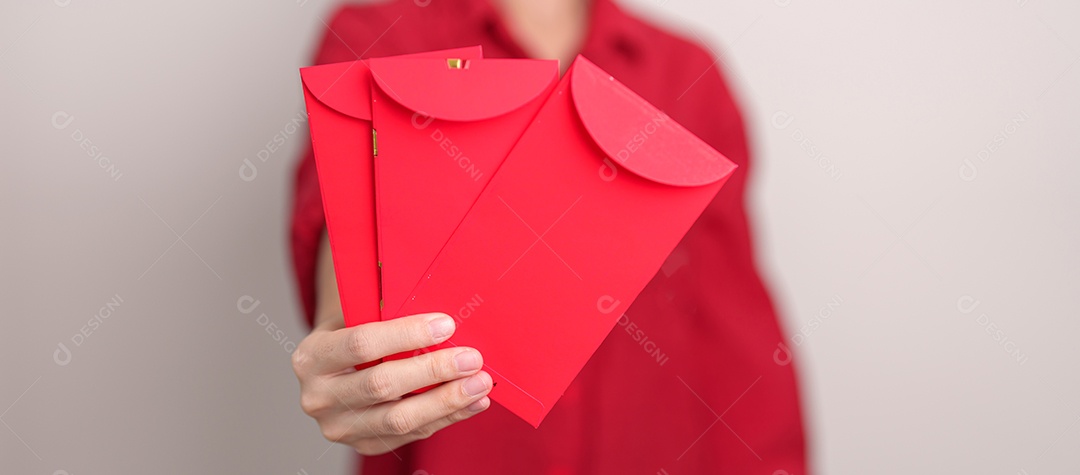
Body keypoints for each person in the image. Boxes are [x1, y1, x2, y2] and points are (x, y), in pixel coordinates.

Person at [289, 0, 809, 473]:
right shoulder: (382, 35)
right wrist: (353, 357)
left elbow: (732, 325)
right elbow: (356, 254)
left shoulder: (687, 70)